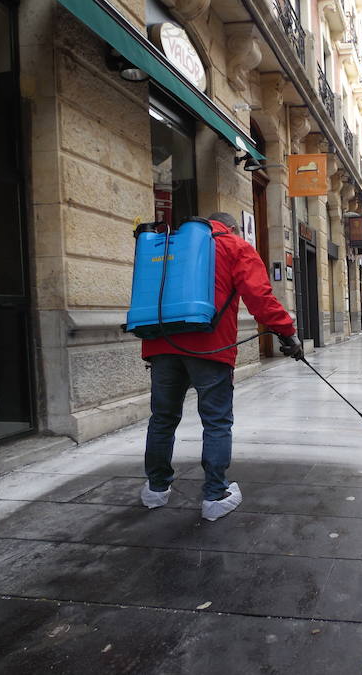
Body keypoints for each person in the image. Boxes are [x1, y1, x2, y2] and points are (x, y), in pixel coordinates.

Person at [140, 212, 303, 522]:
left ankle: (156, 490)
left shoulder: (165, 244)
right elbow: (259, 296)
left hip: (161, 344)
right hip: (209, 346)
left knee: (162, 418)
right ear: (231, 228)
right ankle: (215, 495)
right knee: (216, 422)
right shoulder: (234, 246)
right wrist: (287, 332)